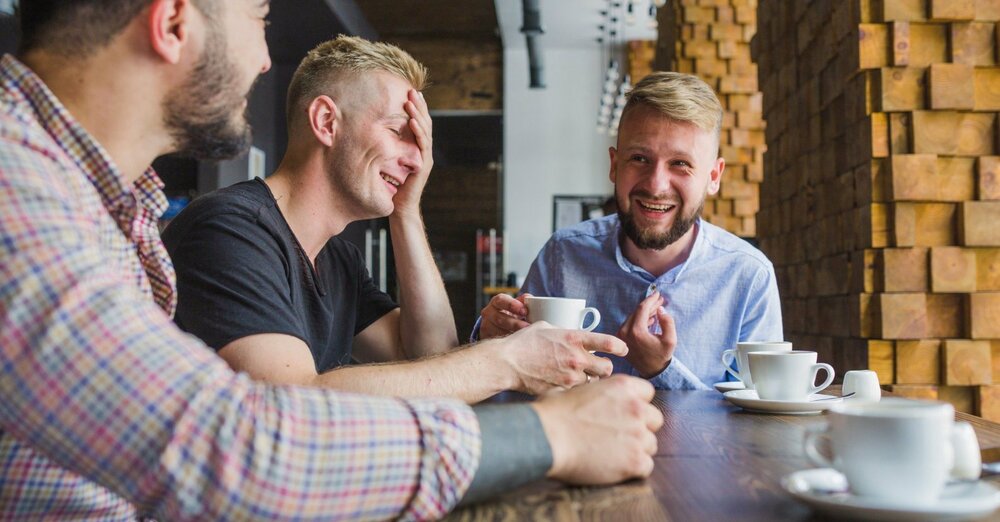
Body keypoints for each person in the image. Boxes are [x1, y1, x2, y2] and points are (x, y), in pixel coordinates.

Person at [0, 1, 663, 519]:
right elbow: (245, 440)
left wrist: (408, 207)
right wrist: (547, 431)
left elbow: (422, 355)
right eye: (258, 15)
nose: (265, 61)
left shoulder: (104, 209)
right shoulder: (19, 188)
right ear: (174, 22)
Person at [162, 35, 621, 403]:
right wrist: (506, 361)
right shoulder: (229, 230)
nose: (417, 160)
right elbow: (292, 402)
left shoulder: (337, 258)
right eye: (400, 132)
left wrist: (406, 211)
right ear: (326, 122)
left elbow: (430, 354)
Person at [479, 71, 783, 390]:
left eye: (680, 163)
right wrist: (492, 338)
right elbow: (516, 377)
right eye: (639, 158)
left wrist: (661, 371)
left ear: (713, 176)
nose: (655, 185)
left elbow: (756, 420)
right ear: (614, 165)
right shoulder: (563, 254)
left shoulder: (749, 276)